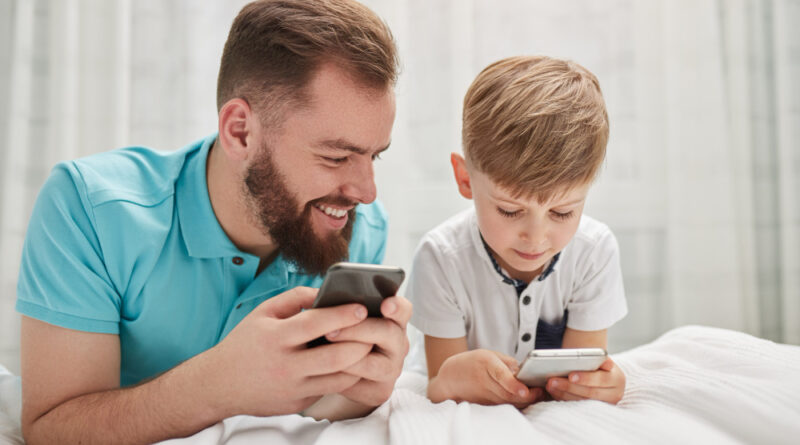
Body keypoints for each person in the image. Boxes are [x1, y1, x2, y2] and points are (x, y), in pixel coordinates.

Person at [15, 1, 411, 443]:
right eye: (336, 156)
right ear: (240, 131)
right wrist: (216, 385)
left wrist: (360, 394)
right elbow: (49, 430)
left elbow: (316, 415)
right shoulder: (89, 209)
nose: (367, 191)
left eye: (373, 155)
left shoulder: (358, 226)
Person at [406, 55, 627, 408]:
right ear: (465, 179)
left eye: (562, 211)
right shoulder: (441, 257)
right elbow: (437, 384)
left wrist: (595, 386)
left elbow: (577, 379)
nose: (536, 237)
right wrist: (452, 379)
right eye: (510, 210)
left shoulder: (594, 251)